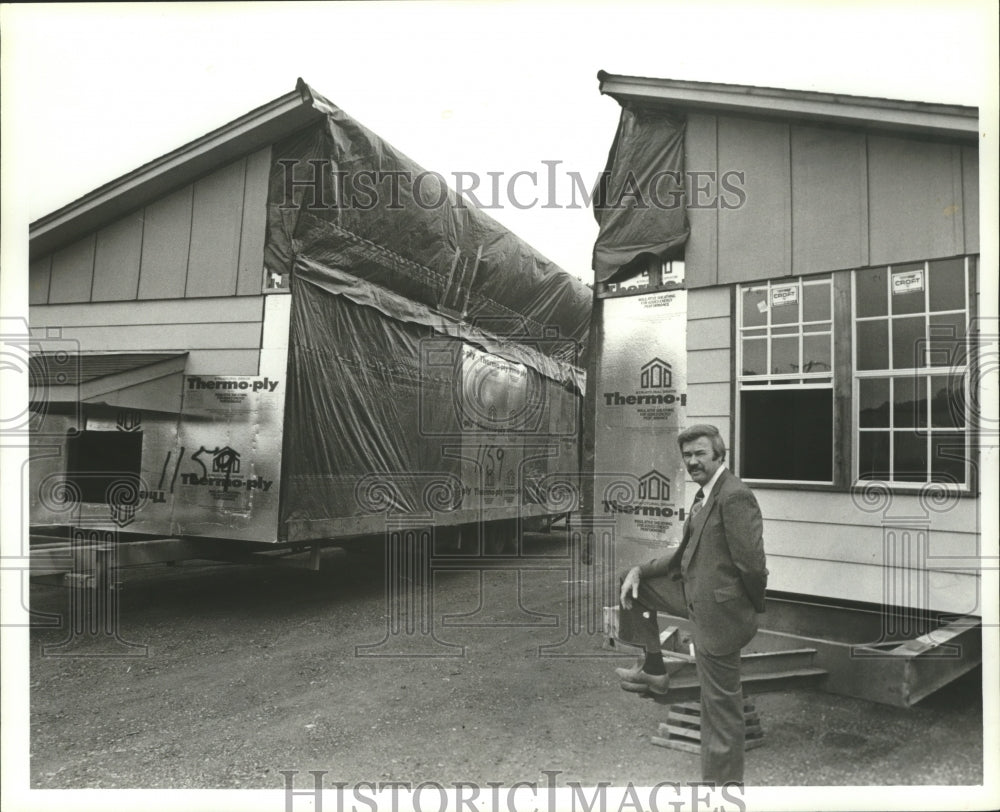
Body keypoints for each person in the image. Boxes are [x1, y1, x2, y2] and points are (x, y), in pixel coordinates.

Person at [615, 424, 767, 785]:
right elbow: (680, 556)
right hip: (695, 594)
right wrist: (637, 568)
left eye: (700, 453)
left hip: (720, 614)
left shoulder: (734, 496)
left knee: (720, 711)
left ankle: (721, 791)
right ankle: (654, 667)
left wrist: (749, 609)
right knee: (631, 584)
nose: (693, 461)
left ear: (719, 454)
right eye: (688, 455)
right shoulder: (704, 496)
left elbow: (753, 566)